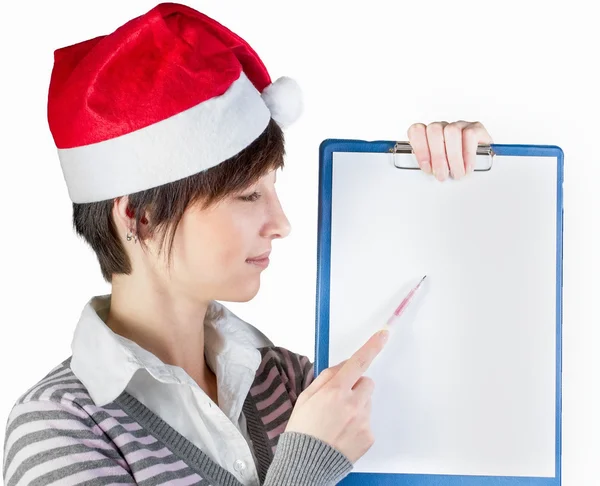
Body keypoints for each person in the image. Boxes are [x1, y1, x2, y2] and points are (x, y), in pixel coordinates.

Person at [2, 3, 493, 486]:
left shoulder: (292, 383)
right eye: (248, 195)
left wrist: (464, 184)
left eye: (273, 188)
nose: (281, 223)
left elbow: (477, 433)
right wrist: (306, 466)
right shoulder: (59, 427)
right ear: (141, 216)